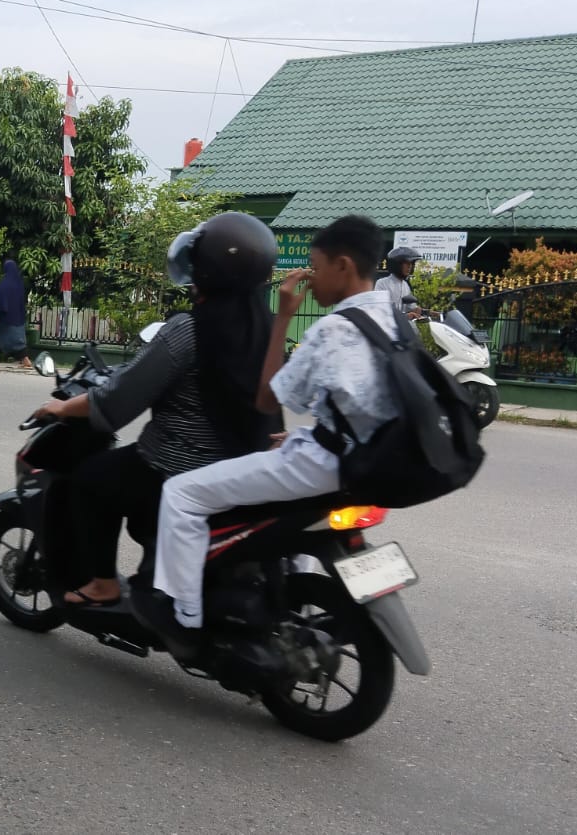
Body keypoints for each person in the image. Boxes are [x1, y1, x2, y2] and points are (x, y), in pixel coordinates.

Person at [133, 214, 401, 659]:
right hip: (366, 460)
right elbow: (364, 401)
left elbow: (265, 398)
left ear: (344, 266)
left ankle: (184, 620)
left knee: (181, 494)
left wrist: (284, 318)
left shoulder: (333, 328)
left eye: (316, 267)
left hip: (324, 464)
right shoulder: (390, 321)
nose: (311, 278)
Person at [31, 213, 282, 607]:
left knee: (91, 480)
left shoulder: (189, 330)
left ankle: (103, 584)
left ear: (208, 269)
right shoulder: (269, 328)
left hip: (177, 467)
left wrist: (62, 408)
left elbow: (118, 400)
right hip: (245, 470)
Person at [0, 259, 32, 369]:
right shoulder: (19, 283)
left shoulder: (5, 283)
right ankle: (25, 360)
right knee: (18, 341)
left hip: (4, 318)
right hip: (18, 318)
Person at [376, 245, 421, 318]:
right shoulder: (382, 283)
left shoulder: (405, 285)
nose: (409, 267)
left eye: (411, 264)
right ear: (396, 264)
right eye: (406, 263)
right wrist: (405, 316)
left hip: (401, 326)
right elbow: (381, 309)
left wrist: (426, 311)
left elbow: (411, 306)